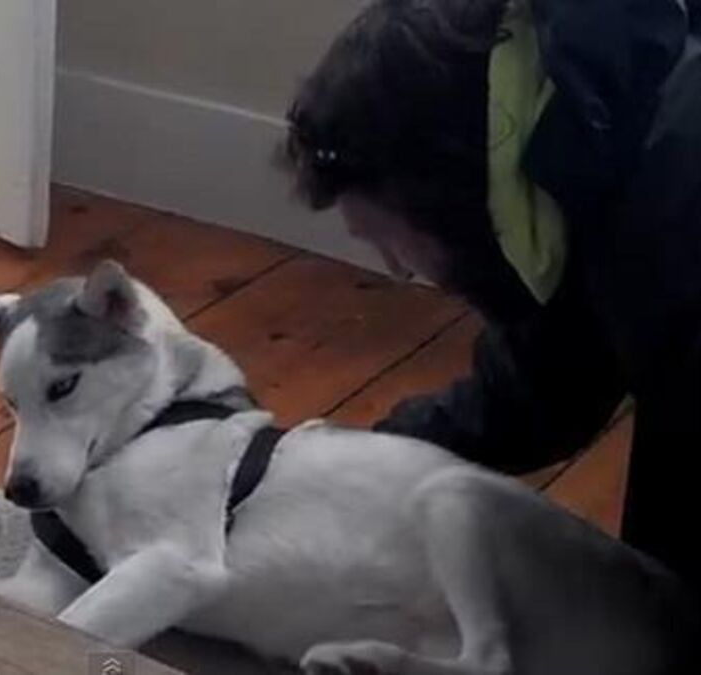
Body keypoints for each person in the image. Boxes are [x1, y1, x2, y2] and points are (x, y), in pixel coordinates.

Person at [286, 0, 701, 594]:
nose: (397, 269)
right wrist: (363, 460)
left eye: (385, 238)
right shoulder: (584, 133)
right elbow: (547, 386)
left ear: (432, 189)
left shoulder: (671, 219)